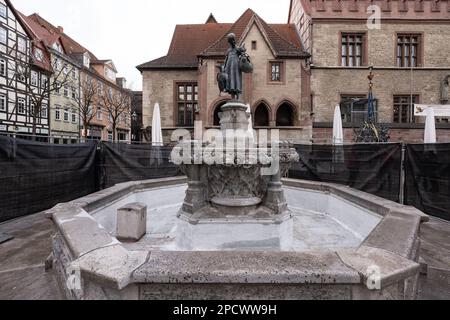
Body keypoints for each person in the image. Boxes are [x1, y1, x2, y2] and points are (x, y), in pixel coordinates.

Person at [222, 33, 246, 100]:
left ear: (233, 40)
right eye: (229, 41)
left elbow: (243, 54)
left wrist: (243, 52)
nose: (230, 42)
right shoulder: (228, 50)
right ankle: (232, 97)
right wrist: (224, 67)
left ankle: (238, 97)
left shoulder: (237, 48)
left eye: (231, 40)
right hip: (229, 67)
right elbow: (226, 59)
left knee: (236, 79)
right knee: (230, 80)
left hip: (236, 66)